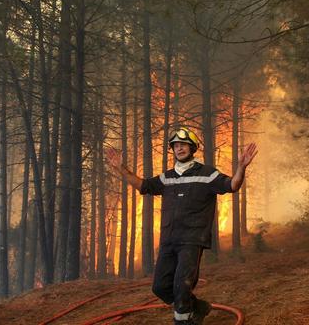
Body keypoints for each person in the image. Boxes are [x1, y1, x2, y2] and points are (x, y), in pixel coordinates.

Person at [106, 126, 258, 325]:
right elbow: (143, 185)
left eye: (184, 145)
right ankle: (198, 307)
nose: (179, 148)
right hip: (169, 240)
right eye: (176, 145)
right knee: (160, 287)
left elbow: (232, 185)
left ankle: (183, 321)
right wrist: (121, 168)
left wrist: (241, 167)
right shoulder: (167, 177)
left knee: (182, 285)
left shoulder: (207, 174)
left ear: (193, 148)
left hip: (192, 240)